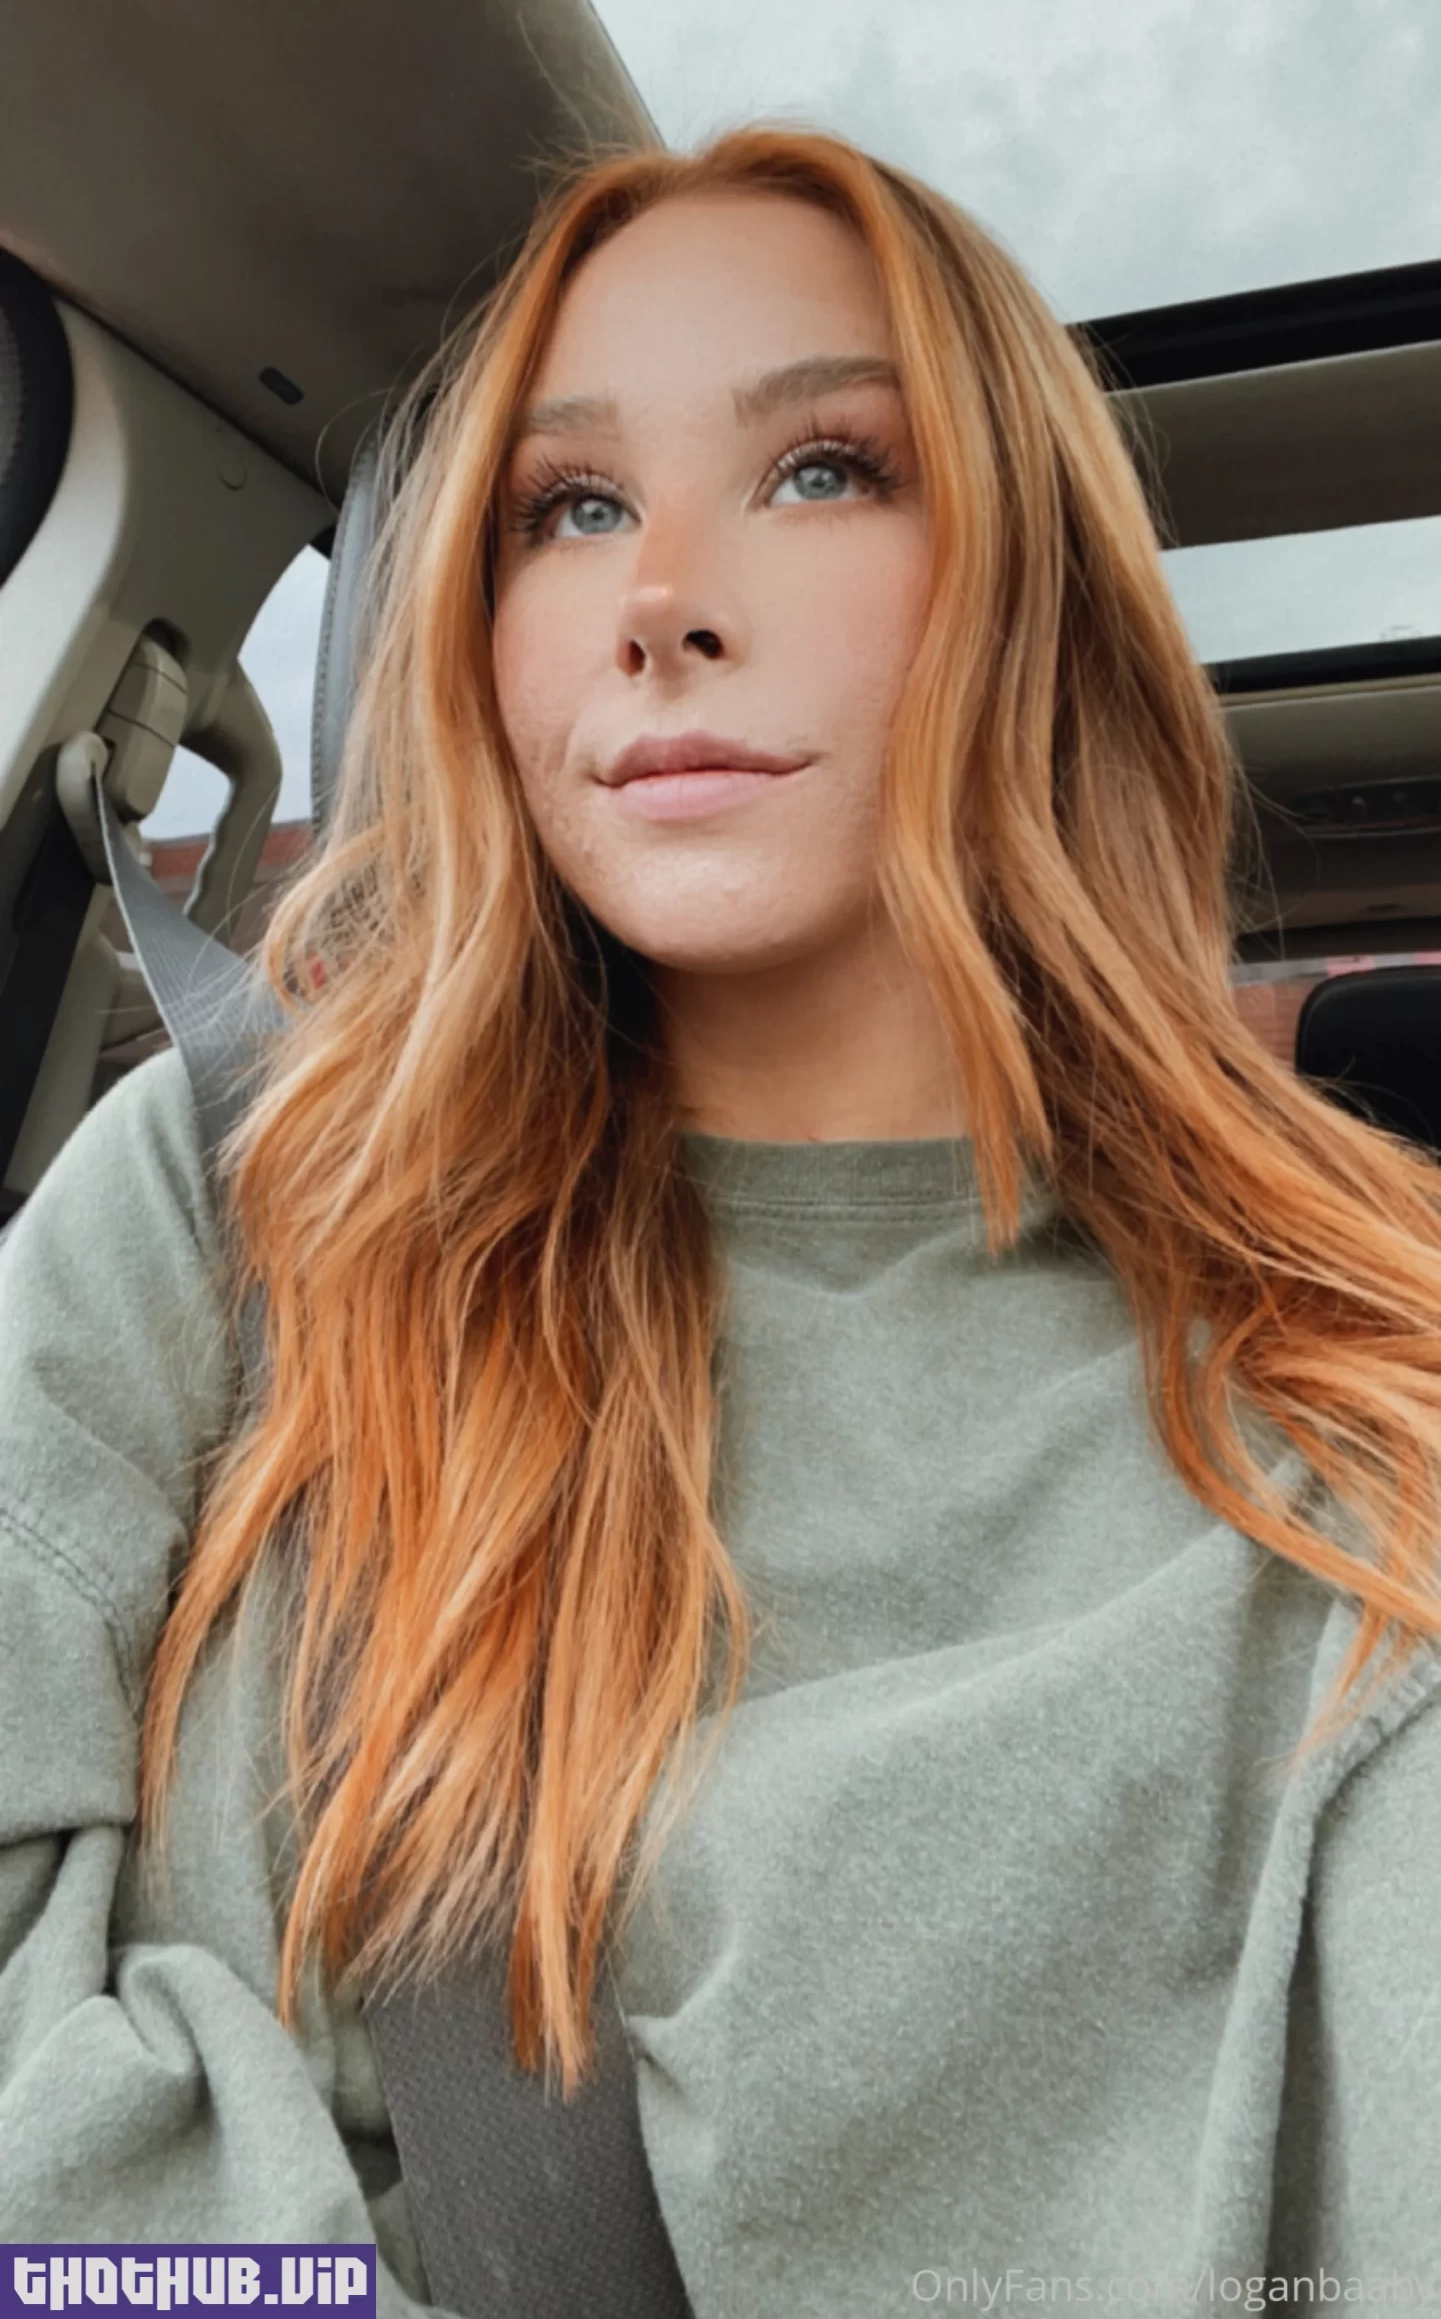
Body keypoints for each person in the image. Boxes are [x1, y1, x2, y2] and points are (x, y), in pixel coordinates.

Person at [3, 125, 1441, 2309]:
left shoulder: (1365, 1387)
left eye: (824, 469)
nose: (658, 597)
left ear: (1032, 583)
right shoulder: (238, 1198)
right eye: (570, 507)